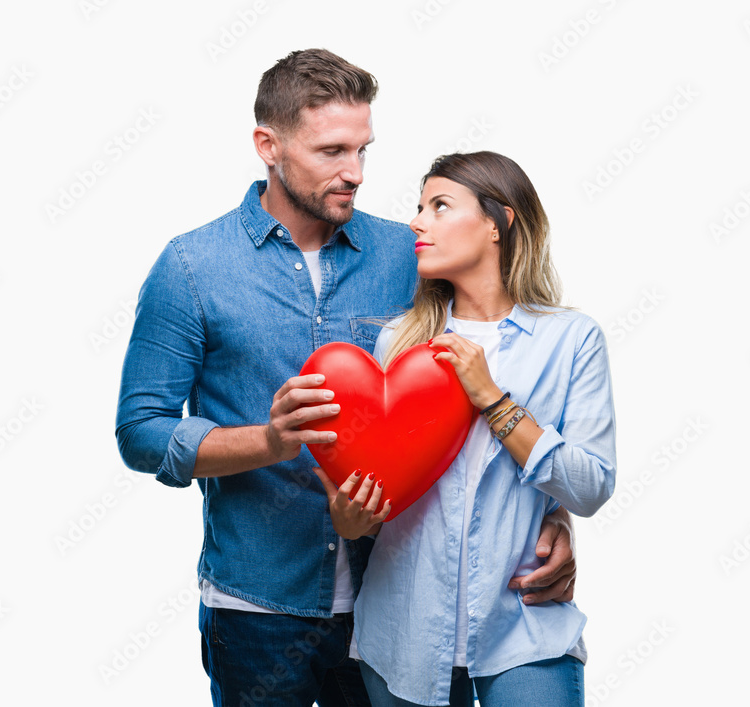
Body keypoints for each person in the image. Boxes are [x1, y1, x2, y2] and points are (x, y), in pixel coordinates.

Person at [116, 49, 579, 707]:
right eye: (332, 151)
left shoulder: (411, 253)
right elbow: (141, 432)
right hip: (257, 607)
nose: (355, 172)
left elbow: (500, 378)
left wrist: (552, 515)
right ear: (267, 145)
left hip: (399, 605)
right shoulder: (192, 267)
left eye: (363, 150)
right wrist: (270, 442)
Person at [315, 152, 617, 706]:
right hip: (402, 631)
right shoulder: (399, 345)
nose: (417, 222)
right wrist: (349, 516)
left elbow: (591, 486)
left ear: (497, 223)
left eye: (439, 206)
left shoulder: (572, 339)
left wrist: (492, 399)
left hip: (524, 628)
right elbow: (378, 497)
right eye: (419, 206)